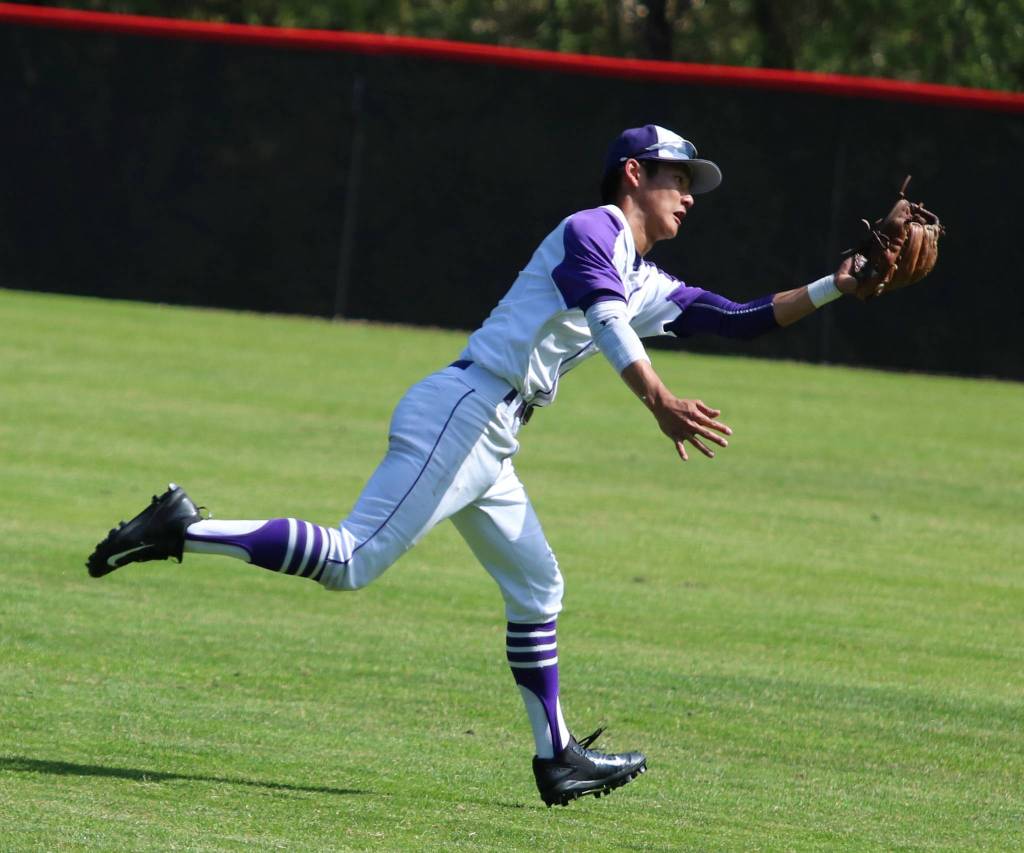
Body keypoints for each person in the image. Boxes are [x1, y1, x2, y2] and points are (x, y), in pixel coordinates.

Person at [87, 124, 858, 807]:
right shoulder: (592, 230)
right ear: (633, 175)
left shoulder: (643, 276)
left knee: (537, 583)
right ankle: (183, 527)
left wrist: (838, 285)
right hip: (468, 409)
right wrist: (656, 398)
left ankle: (557, 758)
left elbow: (739, 317)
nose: (687, 195)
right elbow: (604, 320)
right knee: (351, 561)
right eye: (675, 177)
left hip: (492, 432)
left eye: (691, 184)